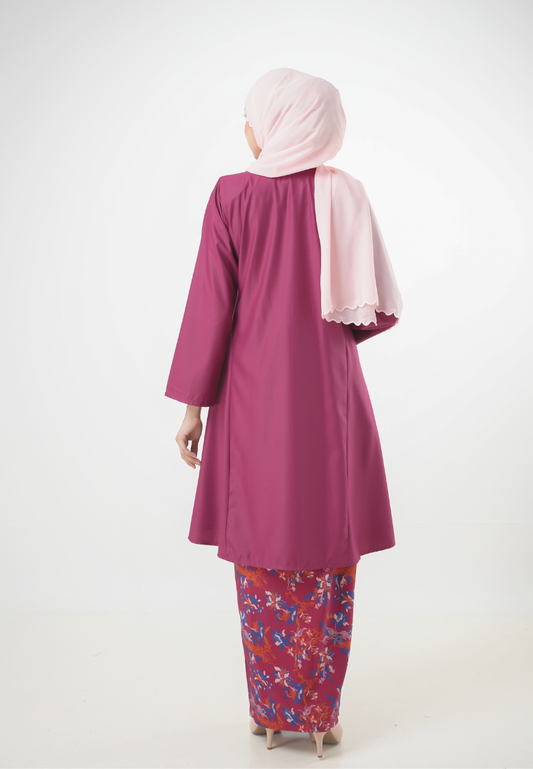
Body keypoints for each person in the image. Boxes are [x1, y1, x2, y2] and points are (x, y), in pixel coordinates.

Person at [164, 68, 403, 759]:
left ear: (271, 128)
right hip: (330, 391)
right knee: (328, 544)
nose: (247, 130)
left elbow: (210, 308)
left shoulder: (231, 195)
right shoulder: (344, 193)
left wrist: (193, 408)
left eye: (252, 119)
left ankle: (270, 712)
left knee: (262, 543)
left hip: (250, 395)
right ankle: (321, 715)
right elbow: (367, 310)